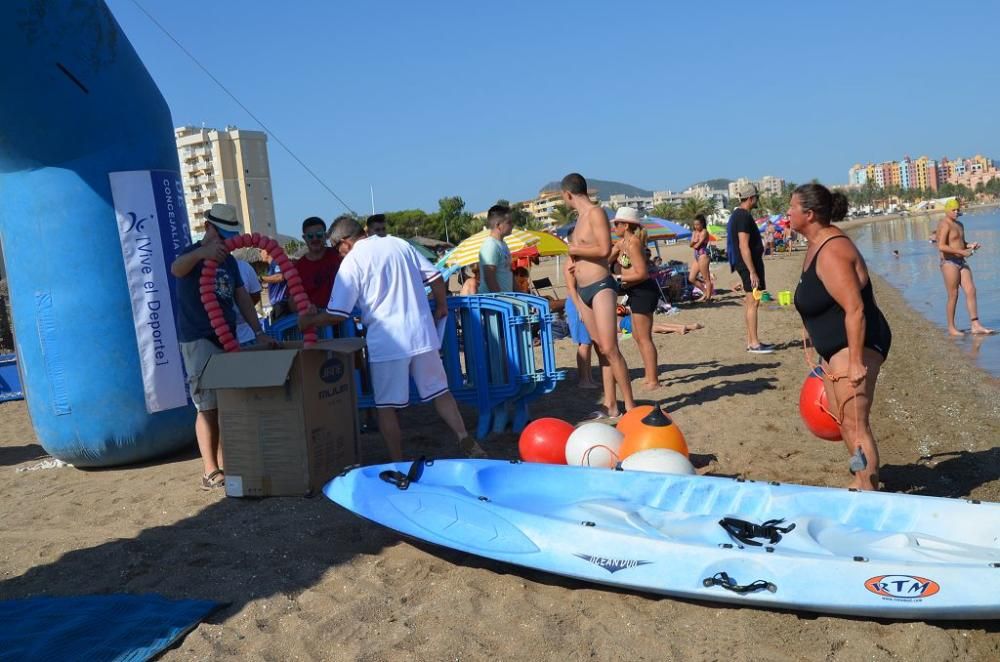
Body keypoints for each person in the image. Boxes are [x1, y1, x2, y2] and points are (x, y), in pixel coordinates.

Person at [297, 216, 486, 460]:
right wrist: (441, 305)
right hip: (421, 333)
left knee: (386, 407)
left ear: (344, 242)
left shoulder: (353, 260)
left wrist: (309, 321)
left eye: (337, 248)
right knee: (441, 392)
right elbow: (435, 277)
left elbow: (337, 313)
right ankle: (464, 438)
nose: (338, 253)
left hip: (387, 341)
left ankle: (398, 462)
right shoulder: (399, 243)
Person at [790, 183, 892, 491]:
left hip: (856, 344)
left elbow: (855, 309)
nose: (787, 213)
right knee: (844, 420)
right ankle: (861, 480)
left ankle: (870, 492)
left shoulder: (832, 250)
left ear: (808, 214)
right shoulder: (816, 245)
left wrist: (857, 361)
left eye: (791, 208)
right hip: (837, 347)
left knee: (856, 424)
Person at [170, 203, 273, 490]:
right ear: (208, 228)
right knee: (207, 405)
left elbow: (241, 297)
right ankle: (210, 470)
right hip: (199, 338)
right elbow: (176, 269)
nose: (227, 241)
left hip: (227, 336)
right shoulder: (189, 254)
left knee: (227, 403)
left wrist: (258, 331)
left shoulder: (228, 261)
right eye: (223, 234)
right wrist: (202, 253)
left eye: (230, 235)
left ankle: (229, 464)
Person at [561, 173, 636, 418]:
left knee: (610, 348)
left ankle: (631, 407)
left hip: (601, 286)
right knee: (601, 349)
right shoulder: (580, 218)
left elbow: (604, 249)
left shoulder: (595, 213)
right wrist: (576, 262)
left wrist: (575, 249)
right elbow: (586, 251)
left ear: (568, 194)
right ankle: (610, 405)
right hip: (584, 291)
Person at [610, 207, 660, 390]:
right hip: (635, 292)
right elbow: (607, 259)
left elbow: (642, 273)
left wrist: (619, 279)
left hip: (643, 291)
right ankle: (649, 375)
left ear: (626, 225)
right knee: (638, 336)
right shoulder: (623, 242)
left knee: (644, 337)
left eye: (616, 224)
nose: (614, 227)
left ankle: (653, 379)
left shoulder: (633, 243)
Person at [727, 183, 773, 353]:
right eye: (757, 198)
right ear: (751, 198)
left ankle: (752, 341)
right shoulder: (743, 216)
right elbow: (743, 245)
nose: (757, 200)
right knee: (754, 302)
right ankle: (754, 343)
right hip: (749, 265)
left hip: (747, 264)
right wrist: (753, 271)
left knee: (750, 302)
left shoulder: (738, 215)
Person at [935, 199, 993, 336]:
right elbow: (941, 246)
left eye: (957, 209)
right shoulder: (944, 224)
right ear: (947, 210)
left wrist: (970, 245)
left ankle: (975, 324)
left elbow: (960, 242)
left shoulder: (959, 224)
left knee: (971, 290)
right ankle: (951, 327)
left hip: (961, 261)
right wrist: (962, 252)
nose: (956, 212)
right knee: (953, 295)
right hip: (949, 263)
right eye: (953, 210)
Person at [562, 238, 598, 389]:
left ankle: (588, 378)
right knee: (584, 343)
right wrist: (580, 309)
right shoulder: (570, 263)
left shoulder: (581, 261)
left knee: (588, 342)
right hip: (577, 304)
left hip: (584, 304)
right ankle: (584, 379)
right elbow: (571, 289)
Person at [295, 216, 342, 308]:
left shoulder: (338, 256)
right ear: (304, 238)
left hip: (342, 313)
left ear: (326, 235)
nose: (315, 239)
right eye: (310, 236)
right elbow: (293, 300)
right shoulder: (298, 267)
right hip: (315, 318)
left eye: (319, 235)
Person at [479, 205, 513, 293]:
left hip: (506, 300)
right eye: (509, 222)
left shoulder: (503, 244)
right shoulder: (490, 245)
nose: (512, 225)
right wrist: (501, 300)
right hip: (495, 304)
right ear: (498, 225)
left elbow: (508, 273)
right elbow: (489, 278)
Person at [232, 256, 263, 347]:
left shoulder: (244, 267)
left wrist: (244, 311)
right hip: (218, 340)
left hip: (248, 336)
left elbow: (255, 294)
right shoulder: (204, 269)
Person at [688, 214, 714, 302]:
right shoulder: (694, 232)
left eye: (698, 224)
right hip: (697, 256)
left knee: (706, 278)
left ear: (702, 224)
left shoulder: (704, 232)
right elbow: (690, 245)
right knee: (691, 278)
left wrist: (694, 242)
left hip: (703, 256)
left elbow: (697, 245)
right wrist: (694, 242)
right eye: (695, 225)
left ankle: (708, 298)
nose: (696, 226)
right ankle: (705, 292)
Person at [260, 249, 289, 322]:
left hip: (281, 303)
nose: (260, 254)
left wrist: (261, 279)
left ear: (267, 251)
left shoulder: (276, 262)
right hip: (277, 304)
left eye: (260, 251)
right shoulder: (271, 265)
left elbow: (280, 276)